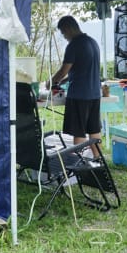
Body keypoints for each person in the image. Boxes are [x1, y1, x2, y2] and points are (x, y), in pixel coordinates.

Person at [47, 15, 103, 155]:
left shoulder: (74, 45)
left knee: (79, 131)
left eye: (63, 33)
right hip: (95, 94)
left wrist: (51, 82)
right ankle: (98, 159)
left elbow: (64, 70)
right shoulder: (92, 42)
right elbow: (81, 69)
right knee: (94, 130)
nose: (64, 36)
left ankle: (79, 162)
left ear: (68, 29)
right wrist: (63, 81)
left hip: (80, 95)